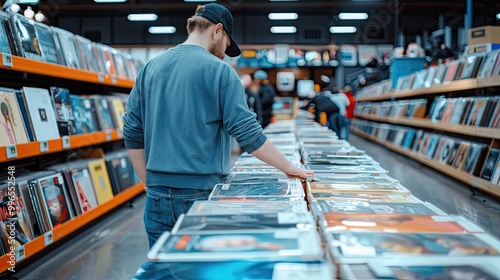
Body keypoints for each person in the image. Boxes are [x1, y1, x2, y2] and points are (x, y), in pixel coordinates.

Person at [122, 3, 314, 248]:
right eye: (226, 44)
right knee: (201, 268)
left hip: (157, 195)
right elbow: (247, 132)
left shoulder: (150, 68)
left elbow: (132, 129)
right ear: (217, 31)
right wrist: (289, 167)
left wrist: (147, 179)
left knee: (165, 269)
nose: (223, 53)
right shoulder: (221, 71)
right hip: (199, 193)